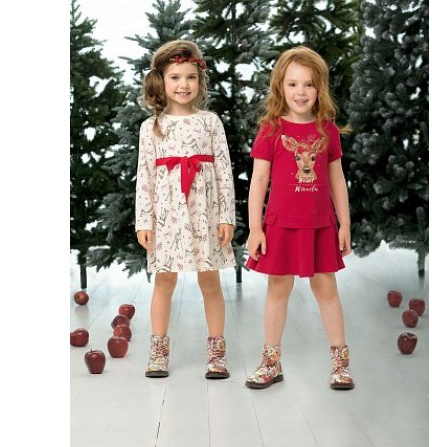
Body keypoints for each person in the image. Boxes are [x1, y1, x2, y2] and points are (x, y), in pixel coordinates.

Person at [245, 46, 354, 390]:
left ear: (320, 88)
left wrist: (344, 224)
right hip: (281, 225)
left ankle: (340, 363)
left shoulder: (327, 131)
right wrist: (255, 228)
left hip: (320, 224)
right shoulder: (271, 130)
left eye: (308, 84)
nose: (301, 92)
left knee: (326, 288)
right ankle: (271, 362)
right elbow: (258, 181)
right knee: (278, 288)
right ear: (280, 87)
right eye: (293, 84)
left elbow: (337, 180)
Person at [135, 40, 236, 379]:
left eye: (191, 77)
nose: (183, 85)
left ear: (200, 80)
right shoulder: (151, 127)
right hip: (168, 216)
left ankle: (216, 353)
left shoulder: (210, 122)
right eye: (175, 77)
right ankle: (158, 351)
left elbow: (223, 172)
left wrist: (226, 216)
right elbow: (145, 177)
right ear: (161, 80)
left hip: (206, 214)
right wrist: (144, 221)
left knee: (210, 280)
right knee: (164, 281)